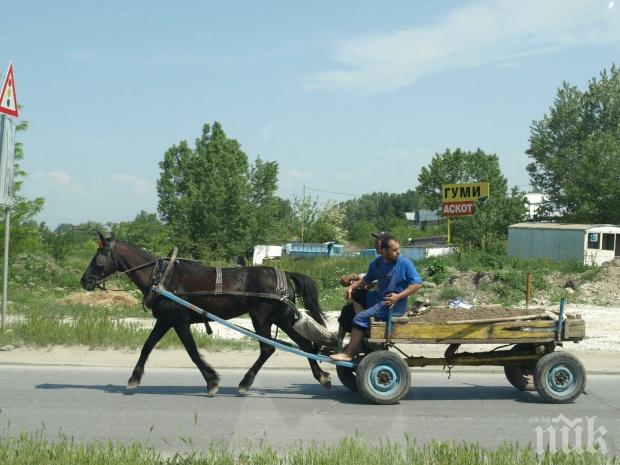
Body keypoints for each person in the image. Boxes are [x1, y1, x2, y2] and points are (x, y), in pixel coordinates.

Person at [330, 234, 422, 362]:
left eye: (398, 249)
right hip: (378, 299)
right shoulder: (376, 264)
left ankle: (349, 353)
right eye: (394, 250)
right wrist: (352, 287)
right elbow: (366, 279)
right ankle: (353, 334)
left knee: (359, 317)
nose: (398, 252)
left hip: (391, 304)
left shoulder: (404, 263)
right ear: (384, 251)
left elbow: (417, 284)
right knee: (355, 297)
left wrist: (398, 296)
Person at [335, 232, 385, 344]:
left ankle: (364, 326)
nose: (376, 244)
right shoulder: (377, 261)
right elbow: (368, 277)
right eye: (375, 242)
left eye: (378, 242)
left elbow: (373, 280)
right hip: (375, 296)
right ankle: (338, 342)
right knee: (347, 310)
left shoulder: (388, 262)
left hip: (380, 299)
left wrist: (353, 280)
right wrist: (353, 279)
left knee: (355, 295)